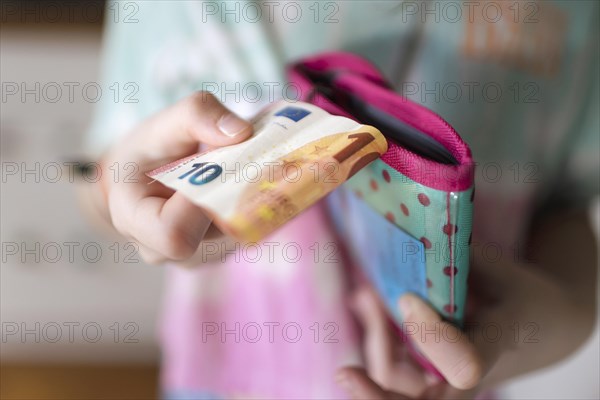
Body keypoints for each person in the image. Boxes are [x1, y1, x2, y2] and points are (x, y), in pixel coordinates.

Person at [82, 1, 599, 398]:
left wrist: (549, 322)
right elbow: (104, 172)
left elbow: (567, 206)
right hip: (226, 377)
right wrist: (123, 196)